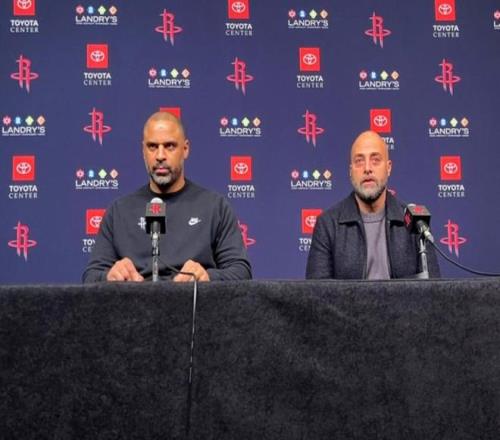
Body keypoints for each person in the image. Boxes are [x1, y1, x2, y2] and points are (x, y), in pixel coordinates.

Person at [83, 111, 252, 283]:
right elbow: (91, 277)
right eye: (152, 146)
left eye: (169, 146)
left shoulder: (215, 207)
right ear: (143, 151)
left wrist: (207, 277)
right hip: (135, 299)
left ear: (185, 149)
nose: (160, 156)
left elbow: (241, 272)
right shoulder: (118, 211)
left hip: (194, 299)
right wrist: (109, 276)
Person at [306, 130, 440, 279]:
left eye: (375, 160)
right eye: (359, 161)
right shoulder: (327, 225)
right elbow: (317, 291)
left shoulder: (416, 222)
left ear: (388, 168)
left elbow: (433, 289)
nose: (367, 168)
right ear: (350, 171)